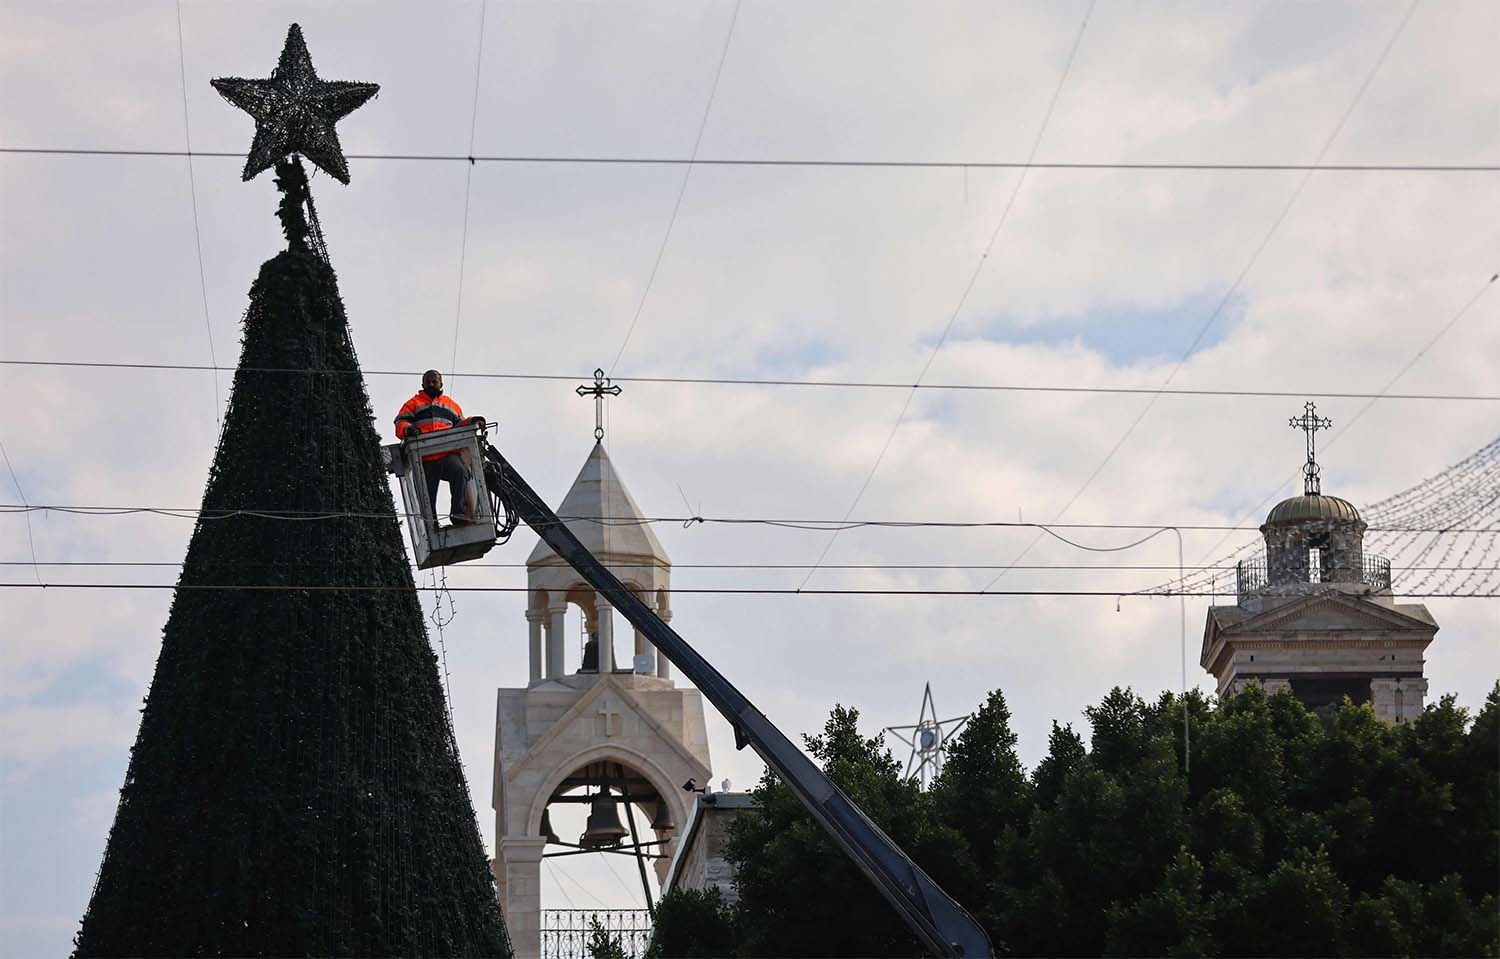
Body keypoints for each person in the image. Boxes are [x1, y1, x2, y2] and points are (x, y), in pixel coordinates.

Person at [394, 370, 485, 524]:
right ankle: (431, 523)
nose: (431, 384)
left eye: (434, 381)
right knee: (427, 494)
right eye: (428, 382)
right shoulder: (413, 404)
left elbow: (460, 425)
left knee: (460, 471)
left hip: (447, 454)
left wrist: (472, 421)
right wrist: (408, 429)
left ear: (441, 384)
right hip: (424, 459)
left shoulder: (451, 405)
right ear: (422, 384)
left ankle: (458, 513)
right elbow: (400, 422)